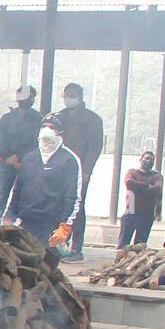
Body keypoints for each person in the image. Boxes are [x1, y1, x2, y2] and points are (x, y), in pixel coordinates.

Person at [3, 115, 83, 249]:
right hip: (26, 224)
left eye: (51, 127)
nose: (47, 130)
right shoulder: (29, 158)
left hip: (51, 227)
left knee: (45, 266)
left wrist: (65, 226)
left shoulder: (69, 160)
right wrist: (9, 217)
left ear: (60, 132)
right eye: (44, 126)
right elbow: (17, 190)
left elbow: (73, 197)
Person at [54, 82, 103, 261]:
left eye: (72, 95)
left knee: (76, 208)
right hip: (58, 169)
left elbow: (95, 146)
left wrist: (87, 170)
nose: (68, 98)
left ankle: (76, 248)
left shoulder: (92, 119)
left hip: (80, 170)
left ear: (80, 96)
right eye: (66, 94)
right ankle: (58, 244)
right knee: (57, 205)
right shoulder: (59, 117)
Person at [0, 84, 42, 216]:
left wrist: (22, 160)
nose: (30, 99)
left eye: (32, 97)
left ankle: (12, 229)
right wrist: (8, 157)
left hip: (26, 166)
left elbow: (36, 143)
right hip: (6, 163)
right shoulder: (7, 118)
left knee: (20, 200)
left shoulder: (38, 119)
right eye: (27, 96)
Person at [117, 151, 164, 248]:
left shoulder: (157, 176)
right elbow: (129, 183)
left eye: (151, 159)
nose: (148, 161)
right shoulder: (132, 172)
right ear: (141, 159)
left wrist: (138, 187)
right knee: (123, 244)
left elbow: (157, 189)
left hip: (147, 214)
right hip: (131, 211)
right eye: (146, 158)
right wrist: (147, 186)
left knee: (140, 246)